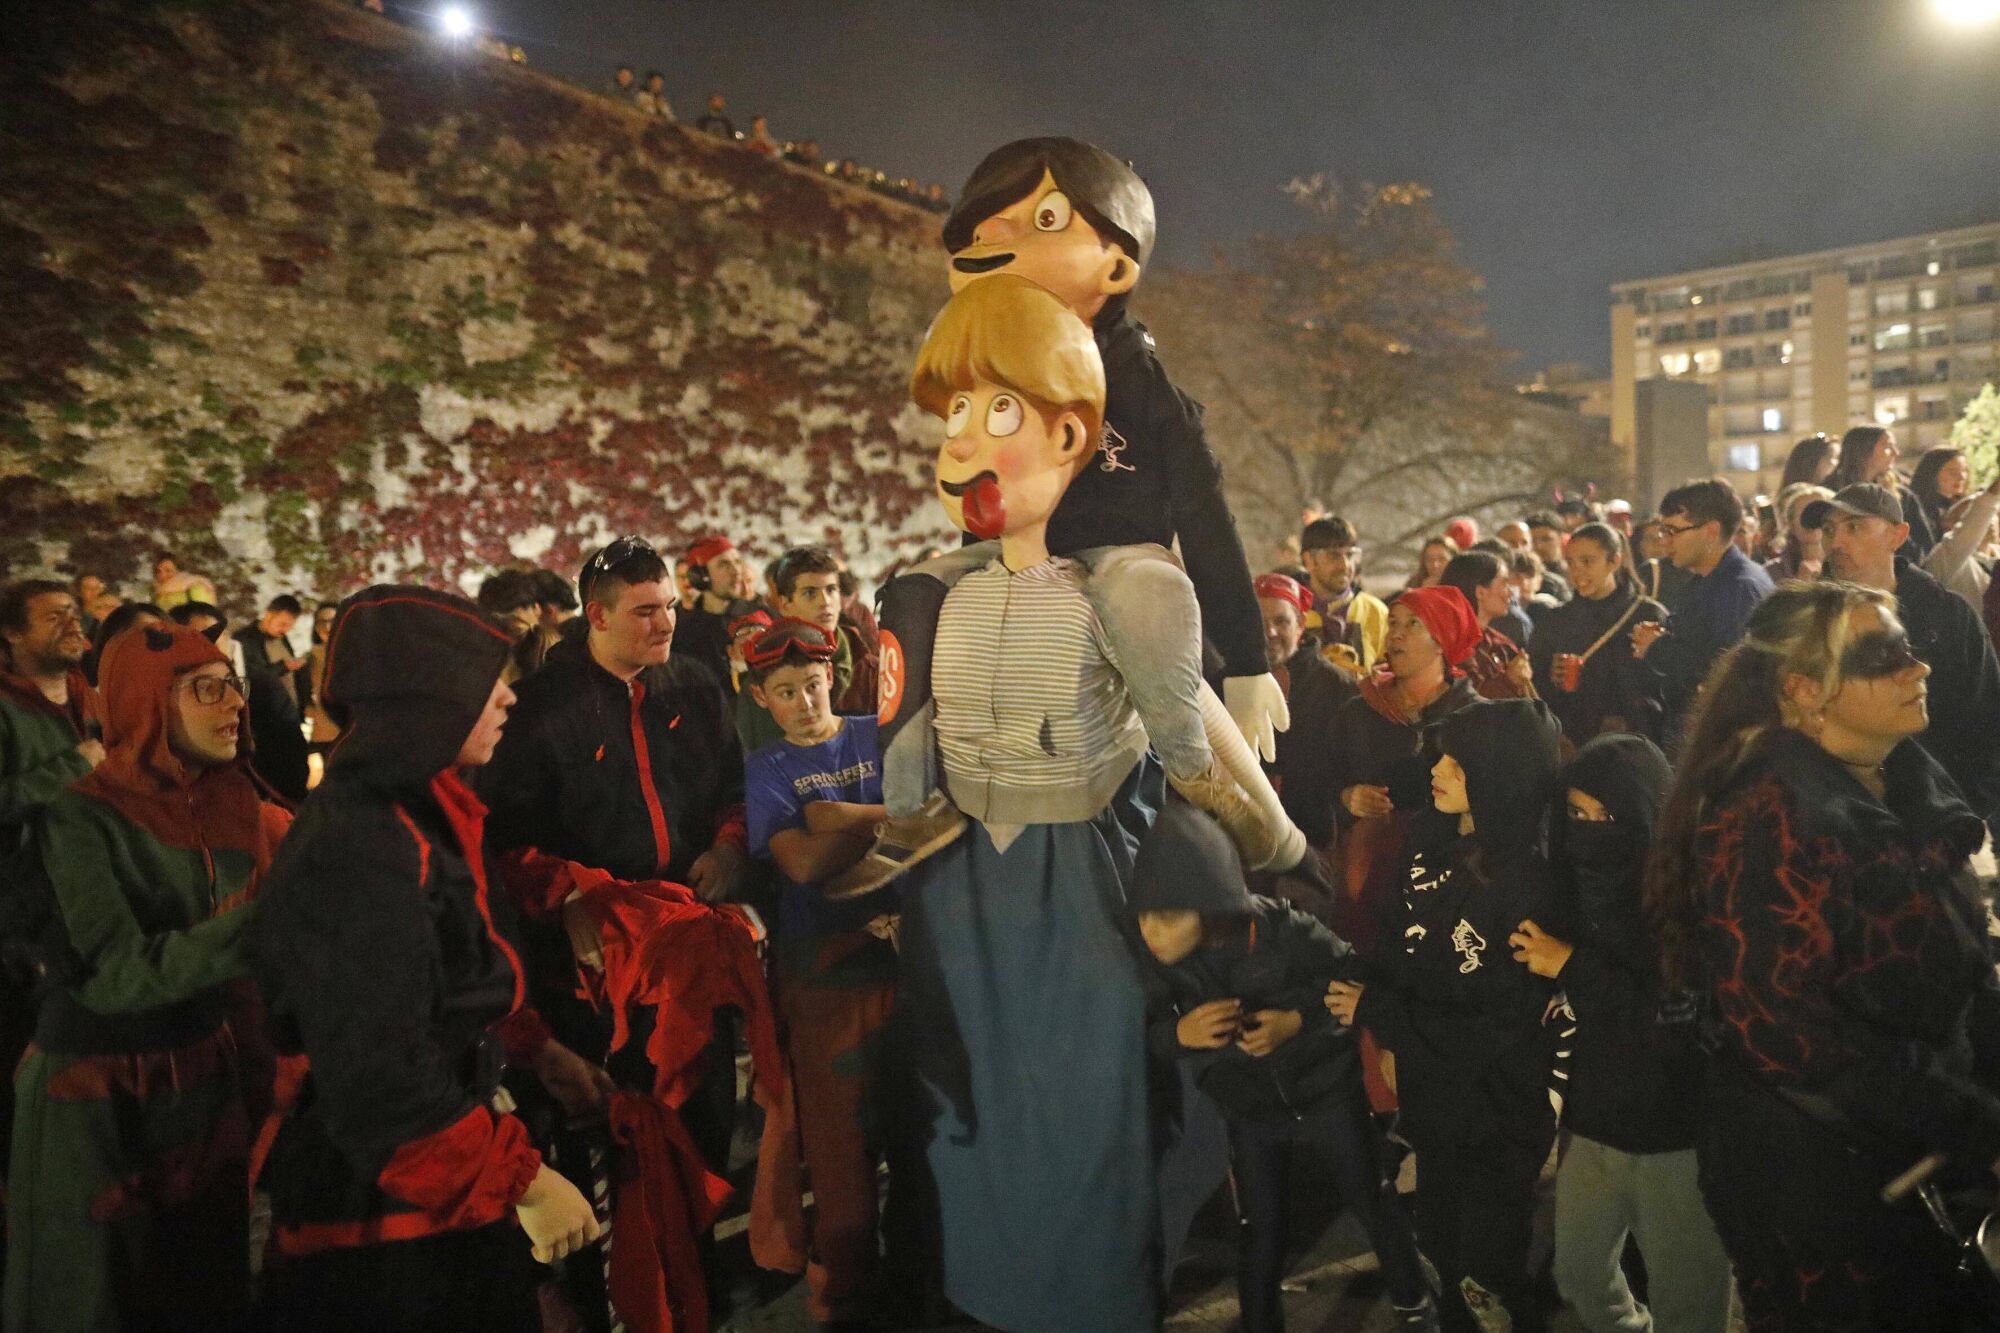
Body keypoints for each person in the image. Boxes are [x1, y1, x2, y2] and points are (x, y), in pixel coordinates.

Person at [888, 275, 1305, 1333]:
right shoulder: (927, 587)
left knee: (1090, 1126)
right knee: (974, 1120)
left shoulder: (1131, 585)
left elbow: (1191, 737)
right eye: (950, 416)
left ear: (1073, 434)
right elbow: (901, 773)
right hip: (960, 892)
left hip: (1081, 897)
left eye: (995, 413)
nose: (958, 444)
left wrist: (1273, 837)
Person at [1645, 581, 2000, 1331]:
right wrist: (1971, 1123)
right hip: (1827, 1190)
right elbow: (1789, 1030)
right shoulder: (1766, 816)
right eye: (1883, 656)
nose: (1918, 667)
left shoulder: (1899, 778)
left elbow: (1954, 968)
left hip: (1920, 1151)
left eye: (1909, 646)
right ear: (1806, 691)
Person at [251, 586, 605, 1330]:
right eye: (484, 683)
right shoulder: (361, 841)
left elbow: (451, 973)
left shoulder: (424, 808)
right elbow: (377, 1072)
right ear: (424, 704)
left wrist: (535, 1051)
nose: (508, 696)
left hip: (437, 1186)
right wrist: (523, 1181)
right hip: (387, 1217)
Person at [6, 622, 288, 1332]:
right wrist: (265, 923)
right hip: (98, 1093)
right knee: (91, 1299)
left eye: (235, 683)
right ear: (144, 700)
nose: (233, 704)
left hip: (205, 1083)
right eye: (206, 687)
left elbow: (246, 985)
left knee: (206, 1292)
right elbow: (111, 974)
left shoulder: (236, 802)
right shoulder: (81, 811)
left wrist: (258, 1085)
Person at [477, 537, 750, 1179]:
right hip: (593, 971)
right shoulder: (540, 706)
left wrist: (730, 848)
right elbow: (502, 840)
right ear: (597, 616)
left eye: (671, 607)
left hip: (690, 948)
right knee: (620, 1140)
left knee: (704, 1124)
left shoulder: (694, 684)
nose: (665, 624)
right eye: (645, 611)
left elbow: (733, 787)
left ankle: (701, 1267)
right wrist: (572, 898)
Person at [1135, 801, 1439, 1333]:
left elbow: (1351, 977)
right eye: (1144, 915)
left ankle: (1414, 1300)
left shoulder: (1279, 930)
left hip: (1326, 1092)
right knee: (1260, 1226)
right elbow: (1145, 1034)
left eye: (1167, 916)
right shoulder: (1163, 968)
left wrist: (1298, 1020)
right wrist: (1177, 1035)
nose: (1152, 932)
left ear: (1210, 904)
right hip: (1249, 1110)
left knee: (1371, 1197)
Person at [1326, 699, 1565, 1333]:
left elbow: (1502, 1024)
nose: (1440, 769)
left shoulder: (1528, 881)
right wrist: (1382, 1015)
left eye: (1460, 762)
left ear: (1500, 774)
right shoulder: (1428, 840)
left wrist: (1382, 1014)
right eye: (1443, 754)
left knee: (1488, 1277)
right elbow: (1397, 944)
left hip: (1496, 1114)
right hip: (1434, 1100)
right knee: (1439, 1247)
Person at [1507, 736, 1733, 1333]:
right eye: (1576, 815)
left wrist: (1571, 967)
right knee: (1578, 1273)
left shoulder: (1686, 895)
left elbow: (1671, 1016)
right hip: (1591, 1124)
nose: (1588, 831)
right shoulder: (1577, 893)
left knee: (1691, 1299)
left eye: (1603, 815)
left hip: (1675, 1138)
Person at [740, 617, 909, 1329]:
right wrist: (889, 818)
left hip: (905, 958)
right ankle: (847, 1298)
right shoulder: (767, 767)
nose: (806, 703)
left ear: (832, 676)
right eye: (786, 691)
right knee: (840, 1154)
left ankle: (921, 1276)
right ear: (761, 697)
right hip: (821, 971)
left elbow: (936, 812)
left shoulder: (878, 729)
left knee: (920, 1127)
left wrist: (836, 814)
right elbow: (802, 865)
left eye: (813, 685)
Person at [1808, 482, 2000, 832]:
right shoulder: (1808, 621)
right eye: (1828, 529)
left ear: (1897, 536)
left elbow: (1987, 721)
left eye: (1854, 527)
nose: (1835, 542)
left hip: (1939, 820)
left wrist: (1966, 812)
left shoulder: (1947, 617)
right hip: (1838, 822)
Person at [0, 580, 103, 1186]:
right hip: (22, 921)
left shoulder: (89, 696)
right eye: (54, 616)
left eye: (75, 612)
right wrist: (75, 765)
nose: (72, 622)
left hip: (85, 908)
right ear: (12, 634)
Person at [1324, 587, 1482, 960]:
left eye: (1413, 624)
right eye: (1392, 623)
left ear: (1442, 639)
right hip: (1366, 874)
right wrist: (1346, 798)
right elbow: (1317, 785)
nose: (1395, 633)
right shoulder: (1358, 712)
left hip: (1445, 879)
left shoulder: (1473, 718)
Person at [1632, 478, 1773, 745]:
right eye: (1663, 531)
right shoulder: (1704, 580)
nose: (1664, 542)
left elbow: (1721, 672)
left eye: (1673, 531)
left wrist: (1658, 647)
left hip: (1722, 742)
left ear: (1710, 531)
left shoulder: (1739, 587)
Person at [1528, 523, 1667, 743]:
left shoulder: (1647, 615)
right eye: (1571, 562)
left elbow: (1667, 685)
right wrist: (1551, 678)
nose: (1577, 571)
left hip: (1635, 743)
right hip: (1574, 744)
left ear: (1614, 561)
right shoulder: (1554, 621)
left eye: (1587, 561)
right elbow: (1534, 689)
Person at [1255, 572, 1356, 857]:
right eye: (1260, 623)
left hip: (1313, 844)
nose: (1270, 632)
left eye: (1281, 621)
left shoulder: (1337, 687)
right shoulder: (1228, 681)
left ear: (1300, 623)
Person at [235, 593, 312, 802]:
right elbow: (249, 676)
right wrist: (283, 667)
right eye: (282, 623)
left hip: (289, 717)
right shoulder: (244, 640)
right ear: (268, 614)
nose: (284, 629)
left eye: (289, 626)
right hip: (265, 723)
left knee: (296, 772)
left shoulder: (282, 639)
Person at [1825, 424, 1934, 558]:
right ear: (1863, 451)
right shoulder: (1829, 493)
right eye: (1887, 446)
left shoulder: (1903, 497)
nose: (1896, 452)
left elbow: (1925, 548)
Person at [1439, 551, 1534, 700]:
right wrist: (1509, 680)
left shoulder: (1501, 644)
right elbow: (1464, 703)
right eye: (1504, 583)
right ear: (1480, 592)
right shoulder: (1449, 647)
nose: (1511, 593)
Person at [1301, 516, 1388, 670]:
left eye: (1349, 555)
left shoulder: (1376, 612)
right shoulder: (1292, 612)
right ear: (1309, 560)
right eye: (1334, 556)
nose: (1345, 565)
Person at [672, 534, 749, 687]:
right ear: (701, 576)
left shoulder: (762, 618)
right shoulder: (682, 632)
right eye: (724, 565)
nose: (736, 571)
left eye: (737, 562)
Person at [1924, 472, 2000, 614]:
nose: (1989, 519)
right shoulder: (1944, 559)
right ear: (1952, 527)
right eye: (1968, 514)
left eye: (1994, 514)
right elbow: (1977, 517)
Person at [1763, 483, 1832, 583]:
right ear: (1791, 524)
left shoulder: (1847, 565)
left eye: (1819, 512)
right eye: (1804, 514)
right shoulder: (1771, 573)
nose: (1812, 519)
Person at [1909, 445, 1970, 543]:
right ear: (1932, 473)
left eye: (1964, 470)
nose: (1962, 477)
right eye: (1953, 471)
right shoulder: (1916, 509)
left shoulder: (1967, 506)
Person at [1525, 513, 1574, 602]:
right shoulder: (1524, 580)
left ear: (1560, 538)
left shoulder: (1575, 572)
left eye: (1546, 539)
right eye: (1532, 541)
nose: (1539, 546)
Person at [149, 551, 216, 612]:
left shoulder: (195, 587)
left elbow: (205, 617)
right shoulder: (157, 594)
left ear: (179, 571)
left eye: (168, 570)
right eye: (158, 571)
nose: (162, 575)